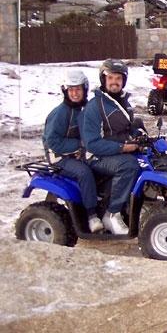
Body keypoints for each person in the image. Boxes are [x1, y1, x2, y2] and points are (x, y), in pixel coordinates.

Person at [81, 59, 141, 235]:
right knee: (129, 165)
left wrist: (139, 135)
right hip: (96, 156)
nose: (114, 82)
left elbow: (127, 128)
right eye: (111, 78)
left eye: (118, 78)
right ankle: (112, 214)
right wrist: (123, 147)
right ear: (103, 80)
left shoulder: (123, 102)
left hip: (114, 152)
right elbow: (92, 143)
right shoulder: (95, 106)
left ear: (123, 81)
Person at [43, 70, 103, 233]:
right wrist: (78, 145)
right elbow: (52, 142)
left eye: (78, 89)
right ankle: (92, 216)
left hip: (76, 154)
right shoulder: (61, 113)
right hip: (59, 158)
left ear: (84, 89)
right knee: (84, 172)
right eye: (71, 90)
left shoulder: (83, 109)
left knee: (102, 166)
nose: (75, 93)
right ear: (65, 91)